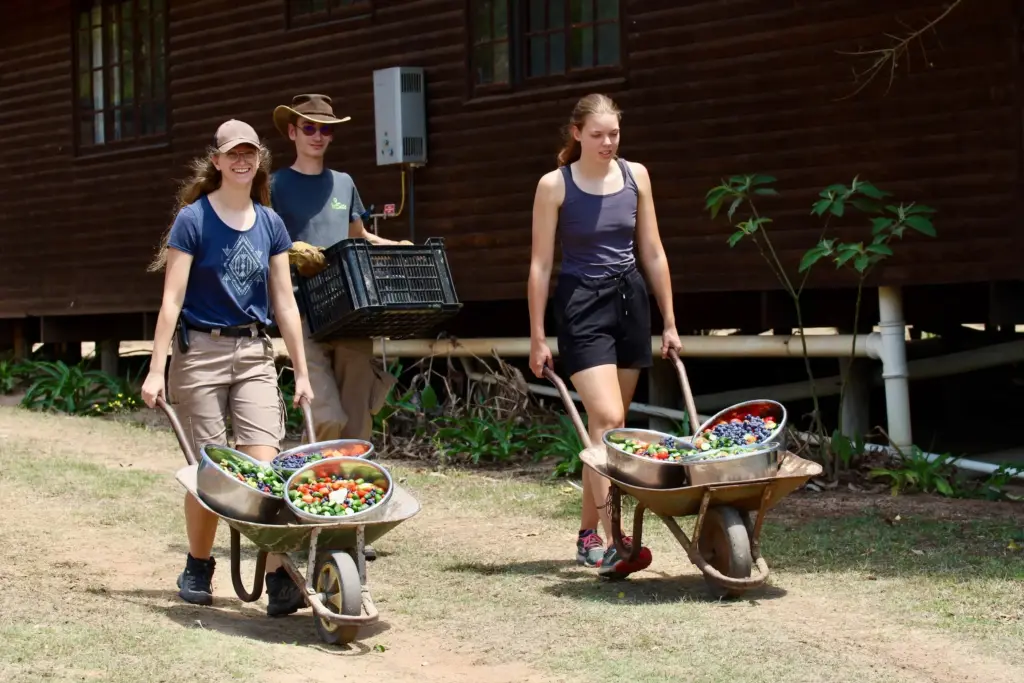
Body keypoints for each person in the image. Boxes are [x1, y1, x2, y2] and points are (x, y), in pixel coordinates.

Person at [141, 119, 315, 616]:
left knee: (265, 469)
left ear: (259, 159)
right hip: (200, 354)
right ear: (216, 161)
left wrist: (301, 372)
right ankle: (199, 564)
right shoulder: (193, 219)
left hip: (255, 353)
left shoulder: (270, 223)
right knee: (212, 471)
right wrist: (157, 368)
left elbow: (285, 304)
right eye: (232, 153)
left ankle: (279, 574)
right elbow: (171, 300)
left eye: (250, 153)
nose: (242, 161)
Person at [527, 94, 683, 580]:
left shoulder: (637, 177)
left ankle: (588, 536)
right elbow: (540, 265)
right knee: (609, 418)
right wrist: (536, 335)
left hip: (629, 302)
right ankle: (616, 538)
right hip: (580, 305)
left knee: (607, 431)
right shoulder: (554, 185)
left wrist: (670, 320)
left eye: (613, 133)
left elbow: (653, 251)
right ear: (576, 133)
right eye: (597, 134)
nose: (607, 142)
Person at [269, 93, 409, 568]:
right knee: (323, 415)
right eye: (308, 128)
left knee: (356, 423)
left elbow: (358, 237)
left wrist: (393, 245)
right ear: (291, 132)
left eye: (326, 130)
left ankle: (350, 523)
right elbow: (265, 242)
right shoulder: (275, 185)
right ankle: (311, 510)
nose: (318, 137)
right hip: (303, 313)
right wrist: (290, 254)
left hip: (351, 311)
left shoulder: (344, 182)